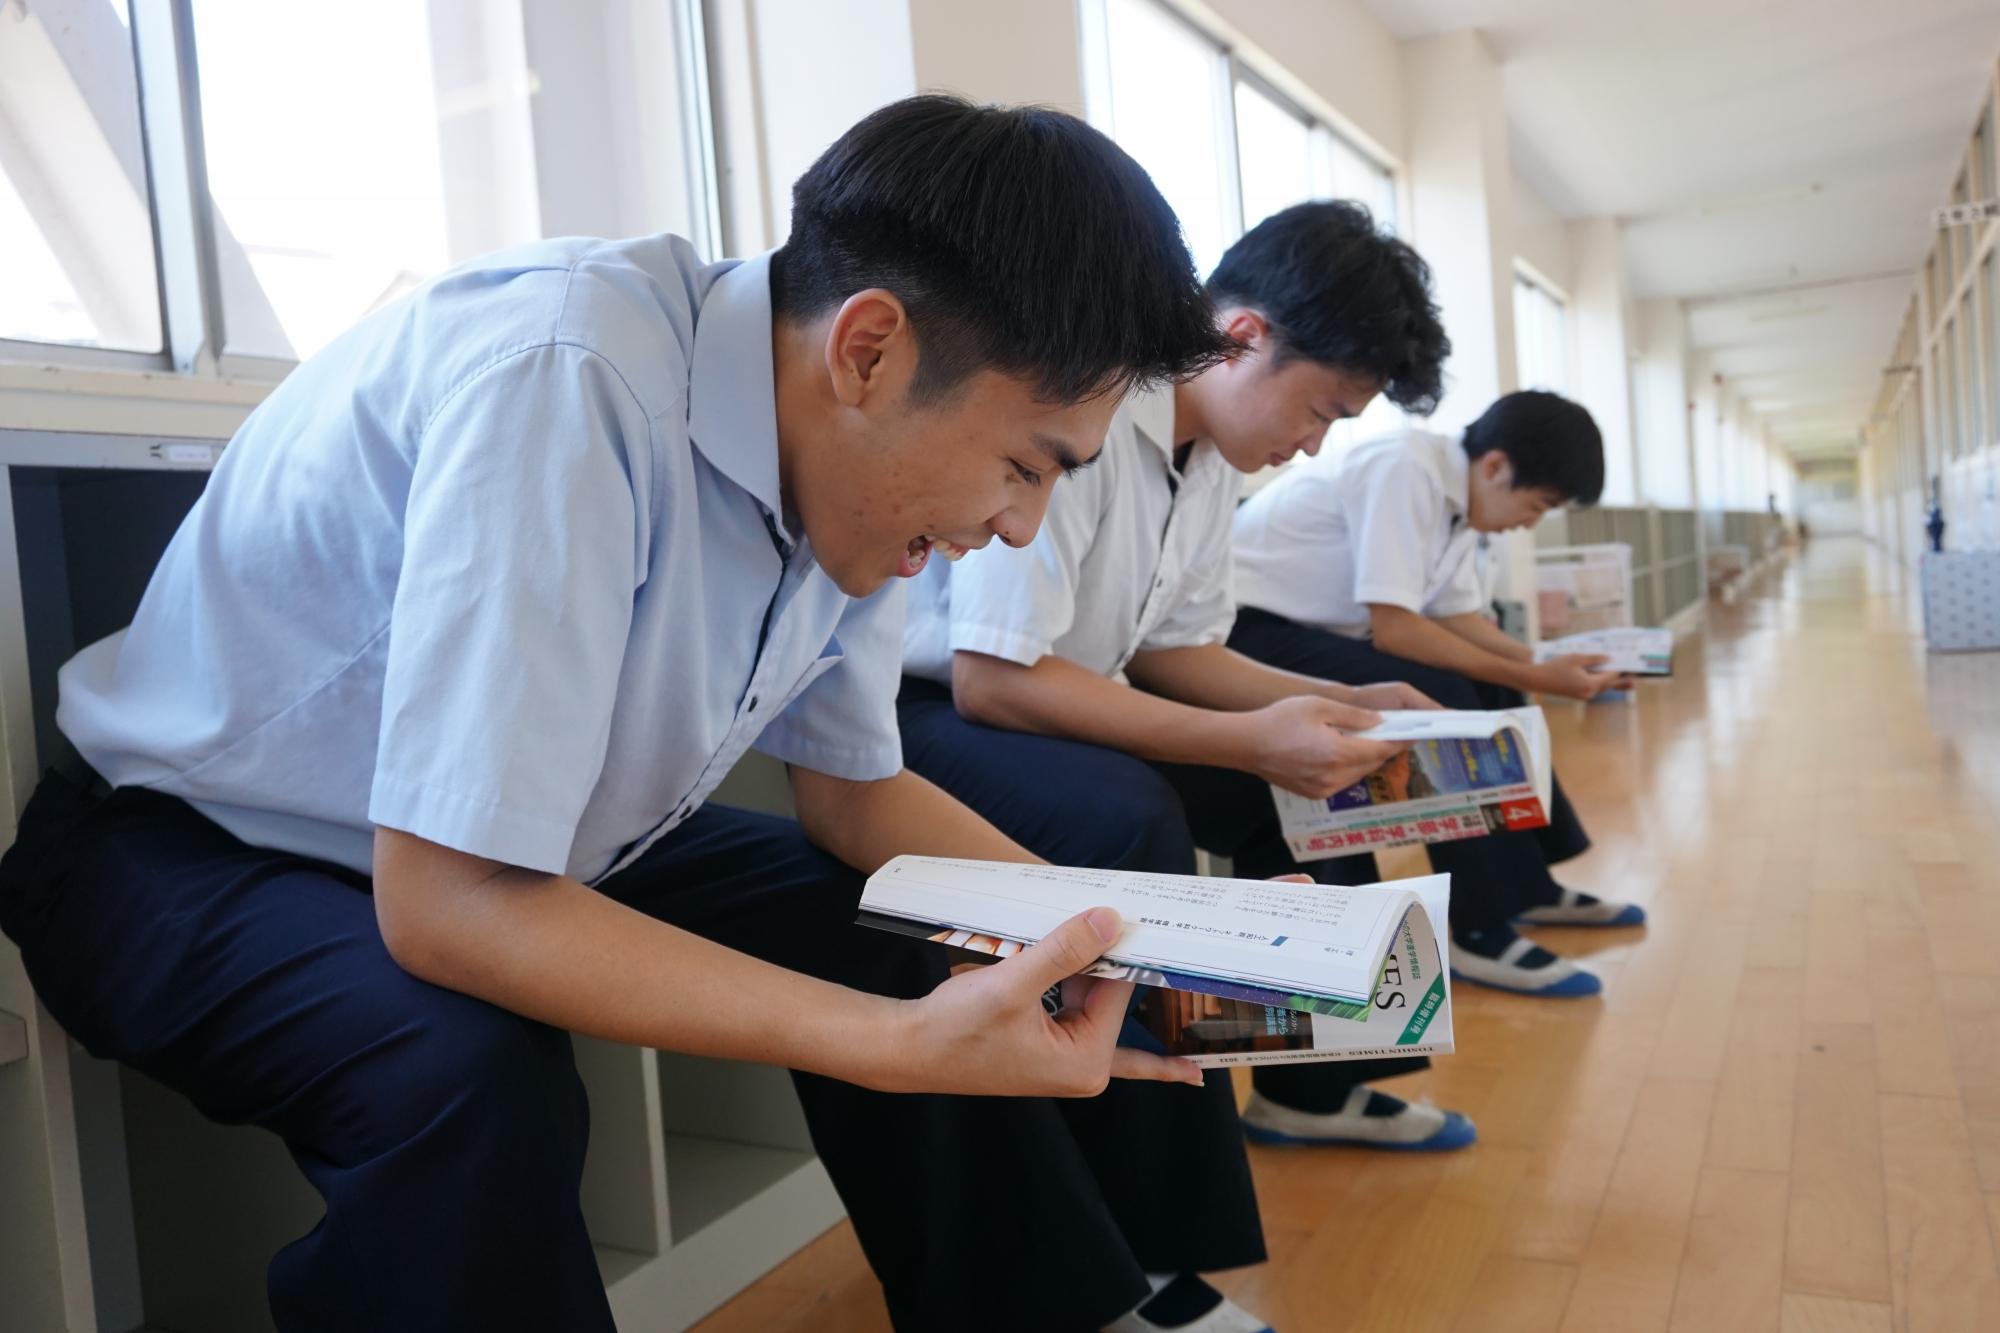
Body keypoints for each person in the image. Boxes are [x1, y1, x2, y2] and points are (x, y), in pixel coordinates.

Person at [0, 97, 1275, 1333]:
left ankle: (1060, 1309)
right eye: (1022, 464)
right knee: (465, 1074)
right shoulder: (570, 377)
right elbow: (446, 900)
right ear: (869, 350)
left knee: (920, 927)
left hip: (531, 847)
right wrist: (886, 1046)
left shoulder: (849, 471)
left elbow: (855, 797)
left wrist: (1126, 939)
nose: (1018, 524)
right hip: (177, 850)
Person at [899, 201, 1478, 1160]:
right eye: (1320, 412)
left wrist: (1344, 707)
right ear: (1242, 337)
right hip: (939, 711)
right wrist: (1251, 740)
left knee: (1316, 784)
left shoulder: (1211, 459)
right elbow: (992, 682)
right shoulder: (1087, 410)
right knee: (1131, 812)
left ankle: (1317, 1083)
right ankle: (1159, 1189)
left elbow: (1176, 650)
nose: (1313, 445)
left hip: (1061, 695)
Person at [1230, 388, 1646, 1000]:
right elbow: (1399, 628)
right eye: (1538, 505)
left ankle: (1526, 888)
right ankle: (1478, 927)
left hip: (1313, 630)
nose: (1530, 523)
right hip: (1249, 630)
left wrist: (1547, 661)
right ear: (1497, 466)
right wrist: (1543, 677)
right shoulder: (1406, 466)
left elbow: (1457, 619)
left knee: (1492, 683)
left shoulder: (1459, 506)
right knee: (1445, 692)